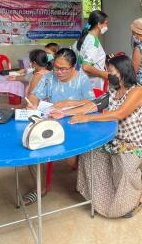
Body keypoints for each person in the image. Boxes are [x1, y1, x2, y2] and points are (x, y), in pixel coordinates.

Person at [53, 55, 142, 219]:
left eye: (110, 71)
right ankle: (102, 197)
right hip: (115, 139)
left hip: (136, 144)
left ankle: (131, 203)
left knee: (124, 166)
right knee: (90, 153)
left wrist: (87, 118)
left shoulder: (137, 91)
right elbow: (92, 105)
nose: (108, 74)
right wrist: (62, 113)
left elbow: (119, 114)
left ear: (122, 72)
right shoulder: (114, 90)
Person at [22, 48, 95, 205]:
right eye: (55, 67)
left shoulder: (82, 79)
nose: (58, 72)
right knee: (31, 144)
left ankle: (83, 177)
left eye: (63, 69)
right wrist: (33, 103)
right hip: (51, 122)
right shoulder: (48, 77)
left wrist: (69, 104)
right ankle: (39, 188)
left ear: (74, 67)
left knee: (70, 158)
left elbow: (92, 103)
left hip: (74, 124)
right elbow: (34, 95)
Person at [73, 10, 109, 90]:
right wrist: (104, 74)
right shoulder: (93, 42)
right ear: (99, 24)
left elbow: (79, 63)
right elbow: (86, 66)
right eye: (106, 23)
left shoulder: (83, 38)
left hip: (81, 81)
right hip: (93, 85)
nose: (107, 26)